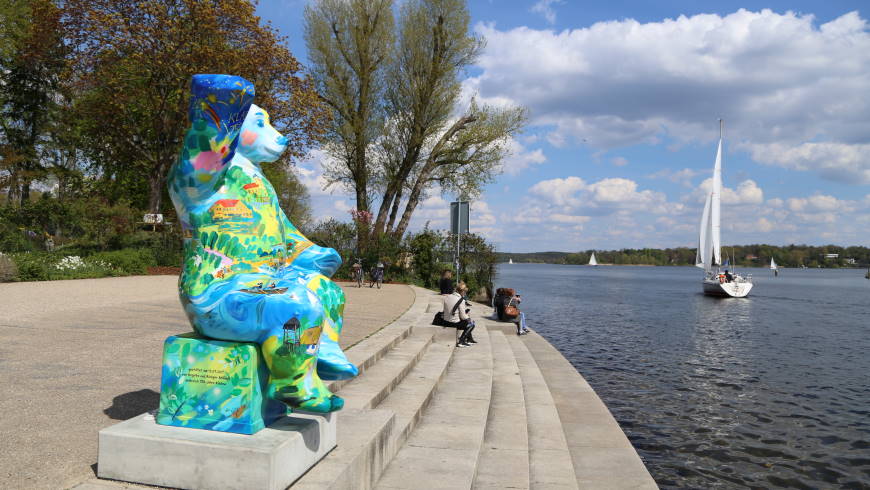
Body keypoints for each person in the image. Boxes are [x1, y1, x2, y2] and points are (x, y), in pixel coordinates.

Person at [442, 281, 477, 347]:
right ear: (462, 291)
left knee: (467, 320)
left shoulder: (448, 297)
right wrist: (468, 317)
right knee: (471, 324)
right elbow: (463, 316)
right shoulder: (461, 300)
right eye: (465, 291)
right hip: (453, 322)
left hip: (445, 321)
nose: (465, 293)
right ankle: (461, 341)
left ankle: (470, 339)